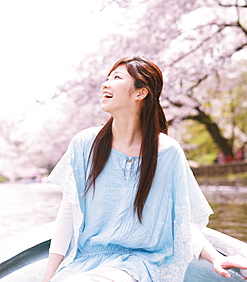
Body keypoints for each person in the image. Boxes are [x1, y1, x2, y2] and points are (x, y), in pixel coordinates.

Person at [42, 56, 247, 282]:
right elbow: (67, 214)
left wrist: (215, 257)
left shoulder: (167, 152)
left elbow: (180, 221)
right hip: (85, 260)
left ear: (140, 93)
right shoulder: (84, 143)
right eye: (107, 78)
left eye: (116, 78)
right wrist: (48, 278)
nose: (105, 84)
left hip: (139, 263)